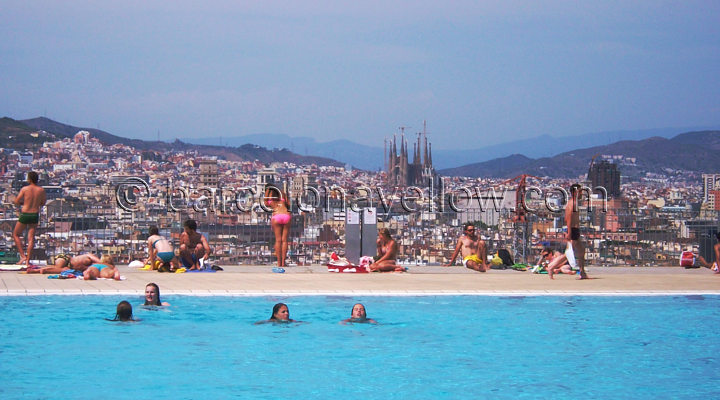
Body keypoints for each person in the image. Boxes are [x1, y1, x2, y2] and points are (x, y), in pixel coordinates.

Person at [12, 171, 47, 268]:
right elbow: (43, 203)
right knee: (31, 238)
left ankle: (22, 256)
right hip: (34, 214)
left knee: (16, 234)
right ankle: (28, 261)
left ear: (29, 179)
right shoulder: (41, 190)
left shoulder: (25, 189)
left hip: (25, 213)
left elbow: (16, 201)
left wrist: (24, 203)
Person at [265, 185, 291, 268]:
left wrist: (267, 191)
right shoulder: (282, 195)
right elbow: (289, 204)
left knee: (278, 240)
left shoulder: (270, 198)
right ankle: (283, 262)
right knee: (284, 240)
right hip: (286, 216)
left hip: (276, 216)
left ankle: (279, 263)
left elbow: (265, 203)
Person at [566, 184, 588, 279]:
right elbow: (569, 217)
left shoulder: (574, 203)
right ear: (575, 192)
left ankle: (582, 272)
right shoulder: (572, 203)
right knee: (568, 253)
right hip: (573, 230)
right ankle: (551, 267)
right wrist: (569, 231)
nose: (581, 193)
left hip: (575, 230)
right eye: (580, 191)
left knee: (581, 251)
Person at [25, 253, 101, 275]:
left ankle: (38, 269)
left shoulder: (93, 267)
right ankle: (37, 270)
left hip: (69, 266)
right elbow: (101, 262)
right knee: (59, 268)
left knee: (61, 269)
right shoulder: (90, 256)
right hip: (66, 259)